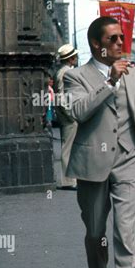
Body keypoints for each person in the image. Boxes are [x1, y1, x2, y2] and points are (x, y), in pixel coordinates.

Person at [63, 16, 135, 268]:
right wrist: (109, 81)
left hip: (128, 161)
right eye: (112, 39)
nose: (120, 43)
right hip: (93, 163)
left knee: (125, 233)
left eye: (122, 37)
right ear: (96, 44)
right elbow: (78, 111)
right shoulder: (75, 76)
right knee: (95, 233)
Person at [54, 43, 79, 190]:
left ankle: (70, 179)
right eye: (74, 56)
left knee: (69, 146)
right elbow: (61, 96)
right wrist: (70, 113)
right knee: (68, 147)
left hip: (67, 113)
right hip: (68, 115)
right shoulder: (65, 73)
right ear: (70, 58)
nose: (76, 58)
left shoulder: (64, 71)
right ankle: (68, 181)